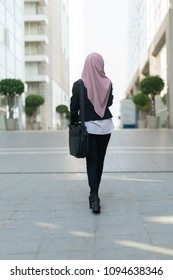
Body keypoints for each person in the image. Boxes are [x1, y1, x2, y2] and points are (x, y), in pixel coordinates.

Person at [70, 52, 114, 214]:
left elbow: (74, 108)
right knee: (100, 161)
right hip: (106, 127)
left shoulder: (79, 85)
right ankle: (96, 193)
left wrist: (72, 124)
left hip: (88, 128)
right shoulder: (108, 83)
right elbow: (108, 103)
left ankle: (94, 196)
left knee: (92, 161)